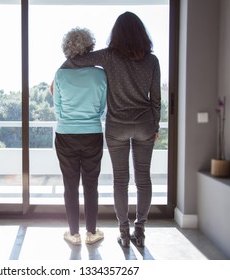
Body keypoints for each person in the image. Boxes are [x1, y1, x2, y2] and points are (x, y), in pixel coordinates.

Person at [61, 12, 161, 248]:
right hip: (144, 124)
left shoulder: (109, 56)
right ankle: (140, 231)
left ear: (116, 34)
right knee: (143, 179)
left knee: (121, 180)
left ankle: (124, 233)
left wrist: (61, 69)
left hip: (117, 126)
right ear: (141, 34)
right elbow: (156, 100)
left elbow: (75, 61)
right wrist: (155, 125)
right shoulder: (152, 60)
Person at [52, 27, 107, 246]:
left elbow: (58, 110)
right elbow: (103, 107)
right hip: (93, 133)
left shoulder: (60, 74)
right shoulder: (100, 73)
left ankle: (73, 234)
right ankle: (91, 233)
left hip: (66, 135)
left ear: (67, 48)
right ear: (90, 48)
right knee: (91, 185)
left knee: (70, 185)